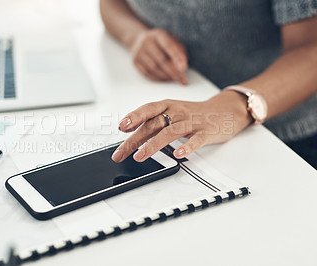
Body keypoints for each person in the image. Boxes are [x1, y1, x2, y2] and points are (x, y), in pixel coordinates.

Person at [100, 0, 317, 169]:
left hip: (283, 138)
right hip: (182, 119)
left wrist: (230, 106)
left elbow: (311, 49)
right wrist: (136, 36)